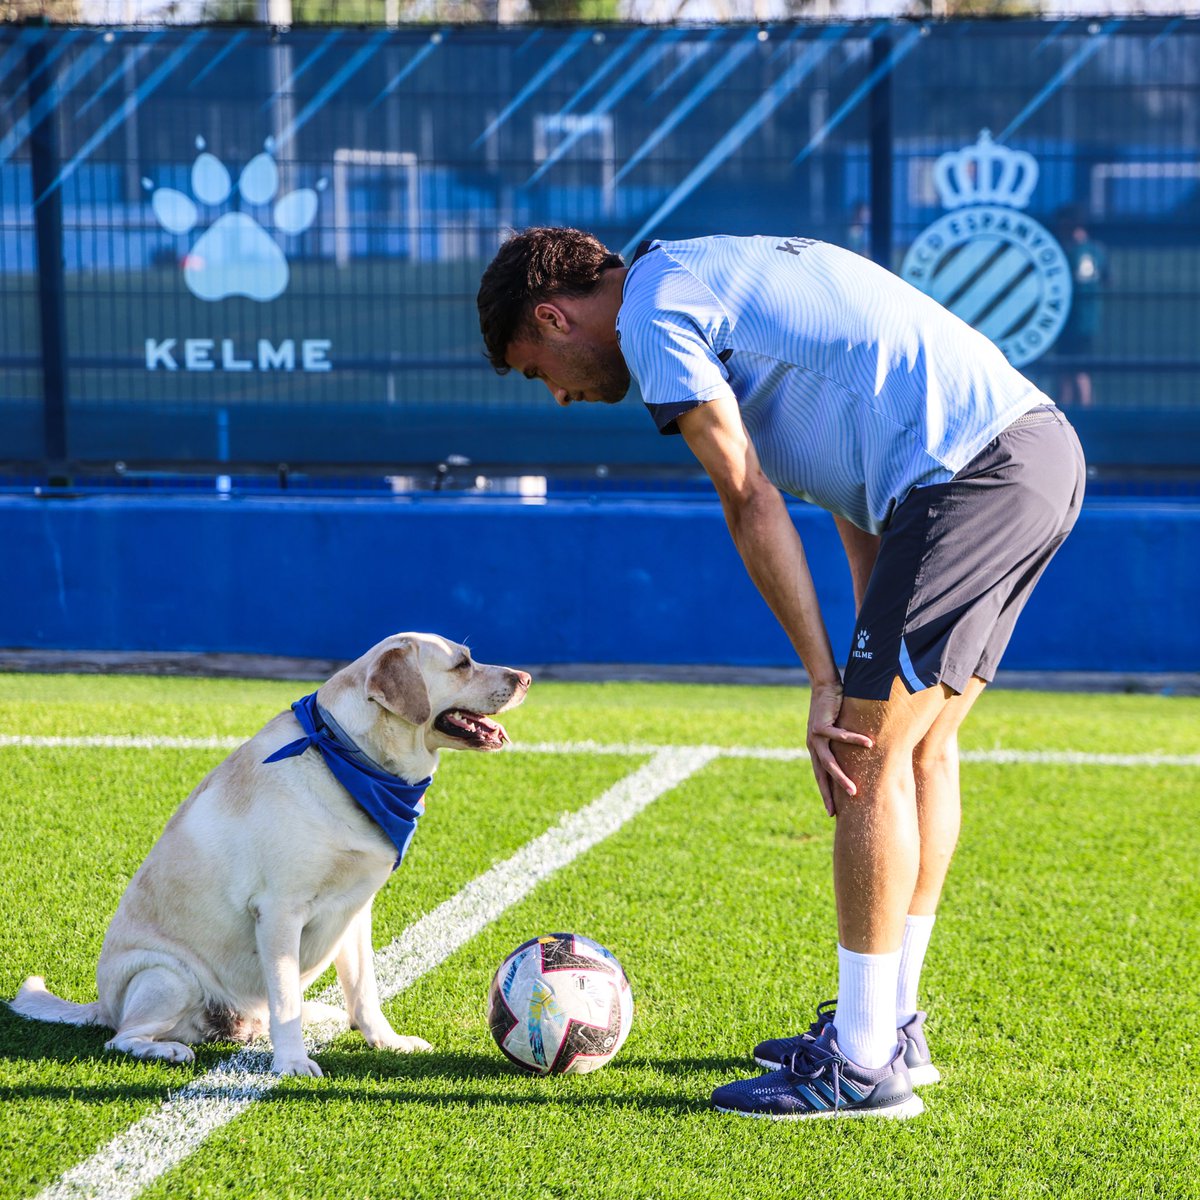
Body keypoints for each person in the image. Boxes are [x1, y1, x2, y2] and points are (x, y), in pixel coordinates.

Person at [476, 228, 1085, 1121]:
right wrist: (854, 664)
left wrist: (822, 682)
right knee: (915, 753)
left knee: (860, 759)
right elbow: (862, 485)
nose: (561, 397)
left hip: (971, 476)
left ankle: (862, 1065)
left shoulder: (653, 312)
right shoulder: (705, 278)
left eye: (541, 370)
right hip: (1024, 457)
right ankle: (891, 1027)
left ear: (552, 315)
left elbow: (748, 495)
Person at [1055, 210, 1108, 408]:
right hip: (1090, 319)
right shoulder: (1097, 250)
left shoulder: (1067, 253)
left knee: (1066, 370)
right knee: (1082, 368)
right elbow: (1107, 279)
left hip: (1069, 319)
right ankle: (1085, 407)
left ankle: (1066, 409)